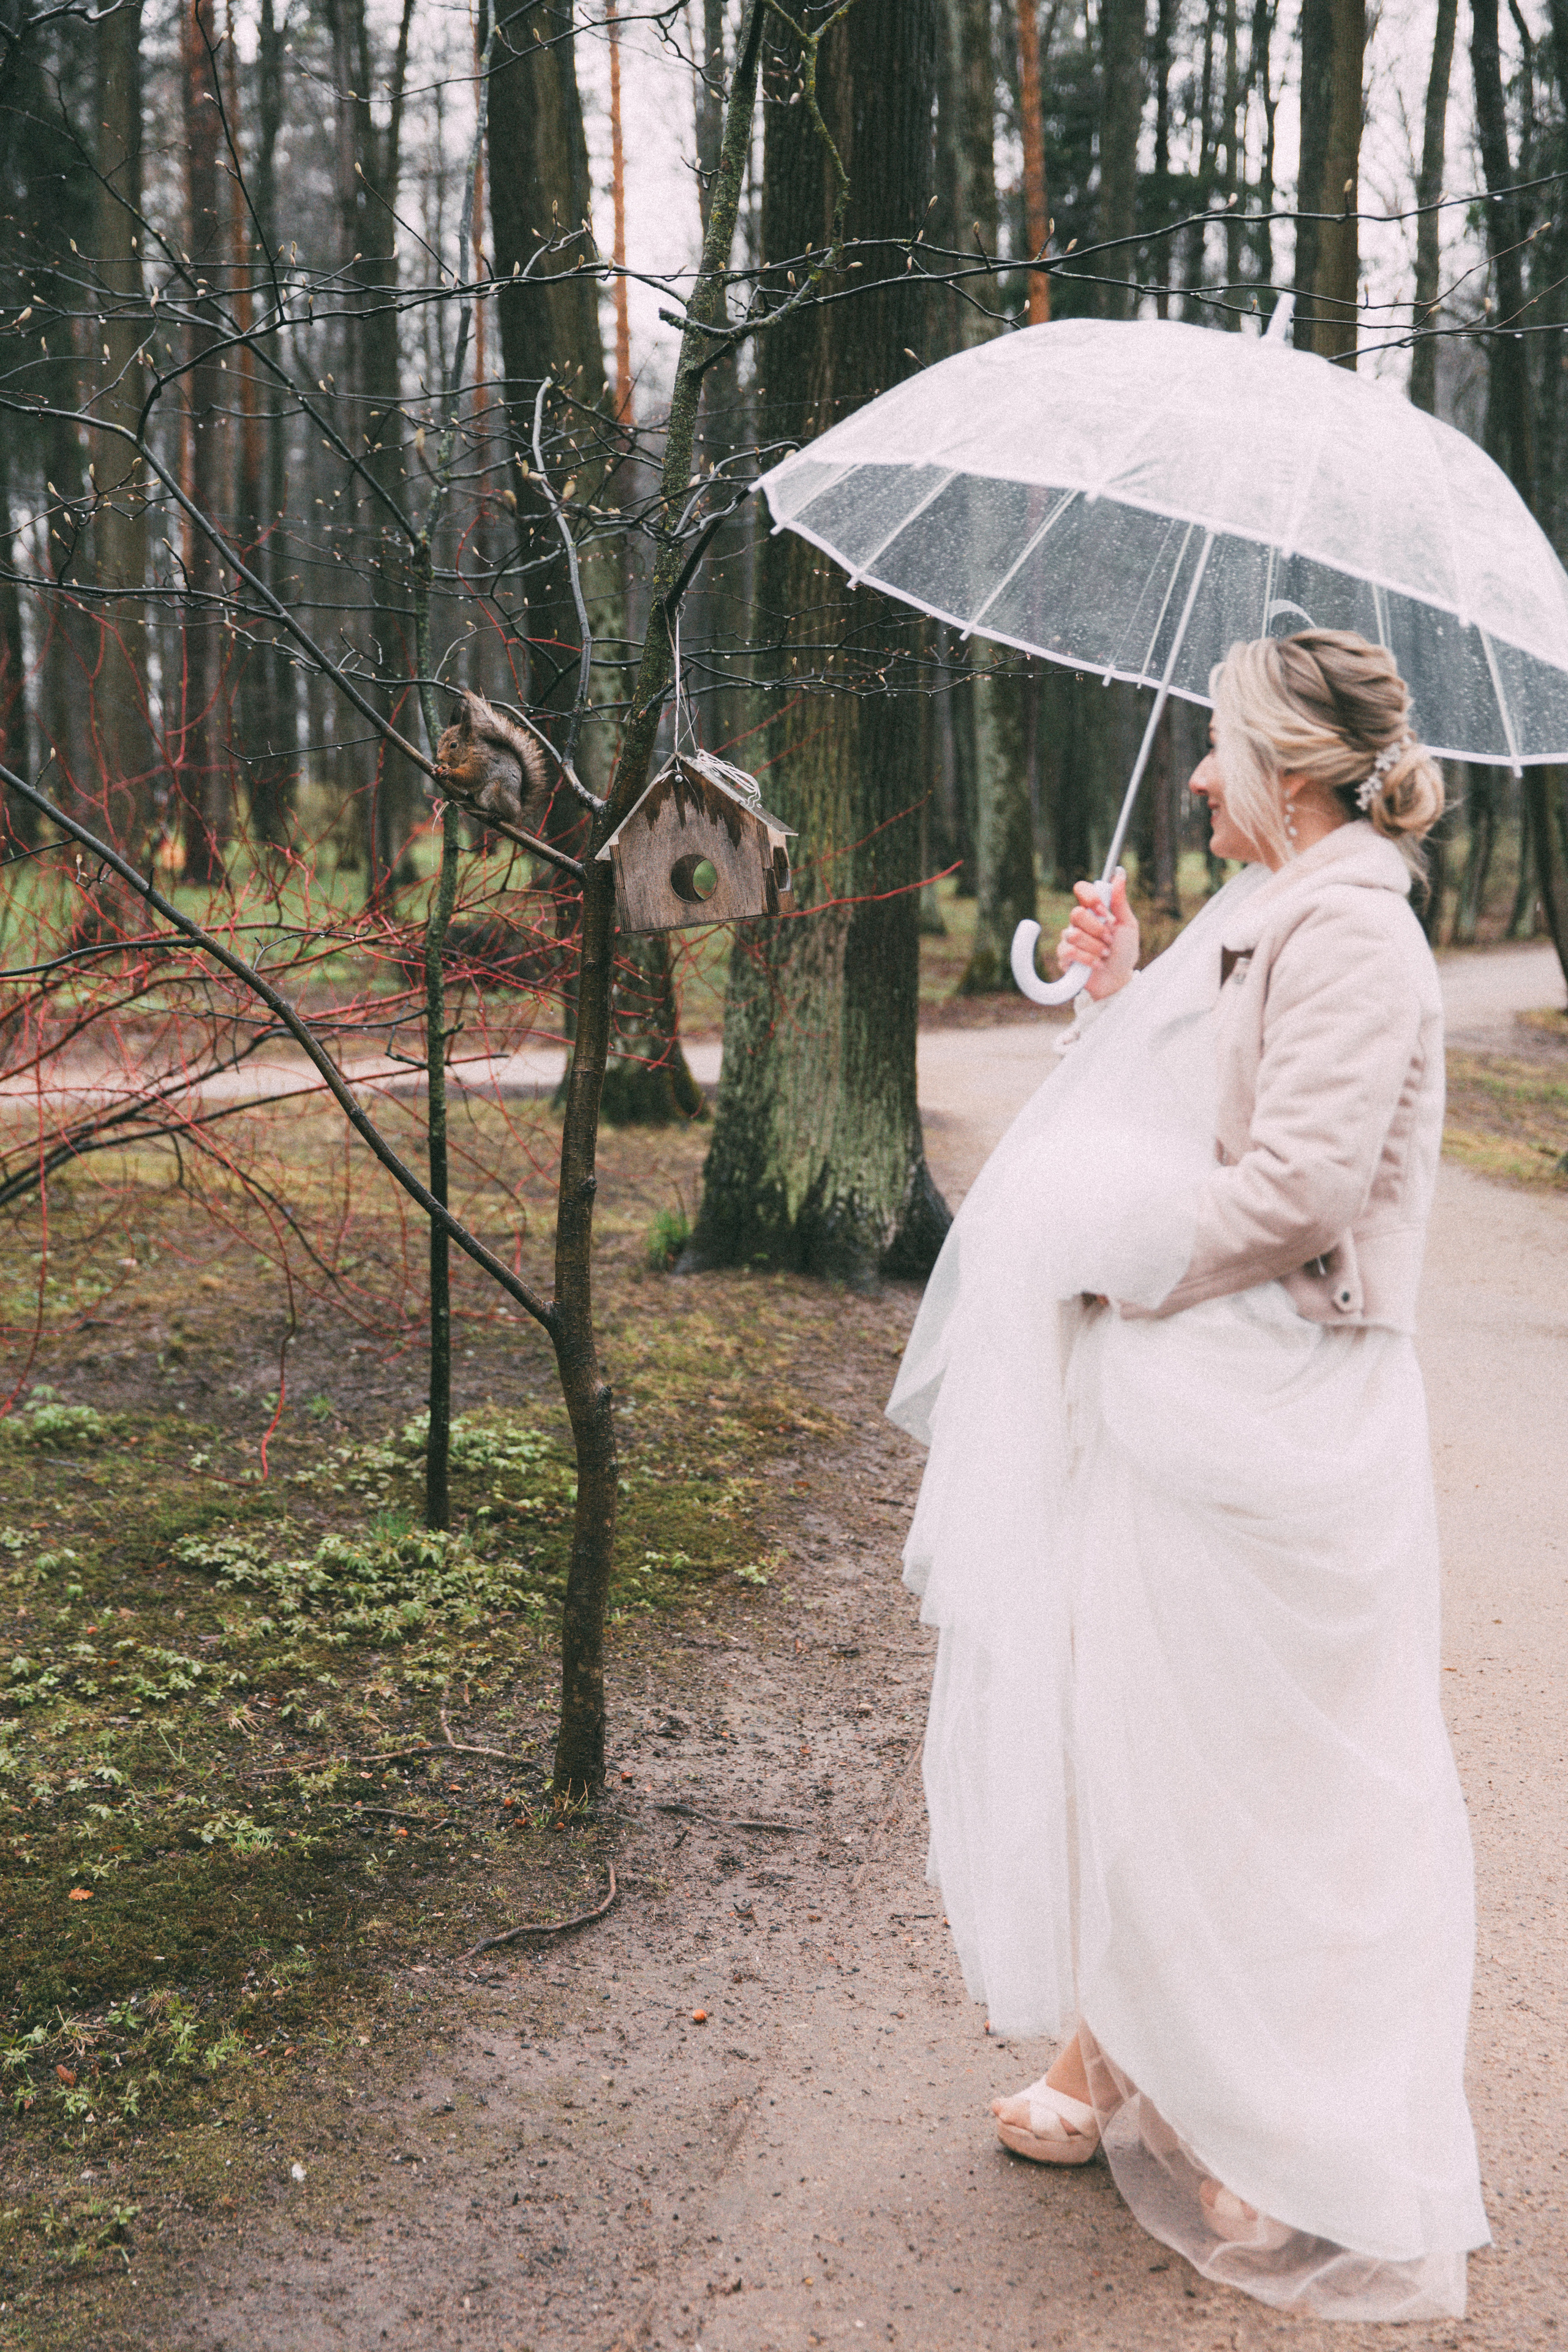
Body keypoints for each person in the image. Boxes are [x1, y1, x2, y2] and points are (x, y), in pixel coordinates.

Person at [888, 630, 1490, 2322]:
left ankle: (1278, 2116)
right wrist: (1121, 977)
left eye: (1221, 755)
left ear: (1291, 770)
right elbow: (1192, 1092)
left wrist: (1110, 1253)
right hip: (1205, 1407)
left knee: (1271, 1778)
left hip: (1290, 1418)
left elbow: (1297, 1191)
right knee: (1151, 1738)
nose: (1199, 777)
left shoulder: (1357, 930)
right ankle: (1131, 2048)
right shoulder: (1277, 908)